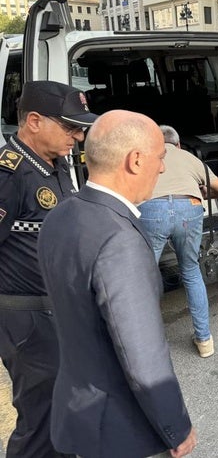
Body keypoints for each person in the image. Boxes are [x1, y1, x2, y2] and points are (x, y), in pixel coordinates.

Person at [37, 110, 198, 458]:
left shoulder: (59, 215)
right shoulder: (119, 238)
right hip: (118, 429)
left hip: (76, 409)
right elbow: (143, 355)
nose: (163, 168)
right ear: (136, 160)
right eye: (160, 157)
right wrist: (176, 426)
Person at [0, 81, 97, 458]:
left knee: (64, 409)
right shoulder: (10, 174)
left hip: (55, 311)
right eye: (71, 126)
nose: (79, 135)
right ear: (35, 121)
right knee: (40, 420)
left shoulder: (54, 165)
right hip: (28, 320)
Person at [139, 125, 218, 358]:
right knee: (191, 270)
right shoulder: (189, 157)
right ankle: (204, 342)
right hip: (189, 208)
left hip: (152, 210)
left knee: (144, 278)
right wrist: (204, 193)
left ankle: (143, 345)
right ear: (178, 144)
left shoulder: (146, 156)